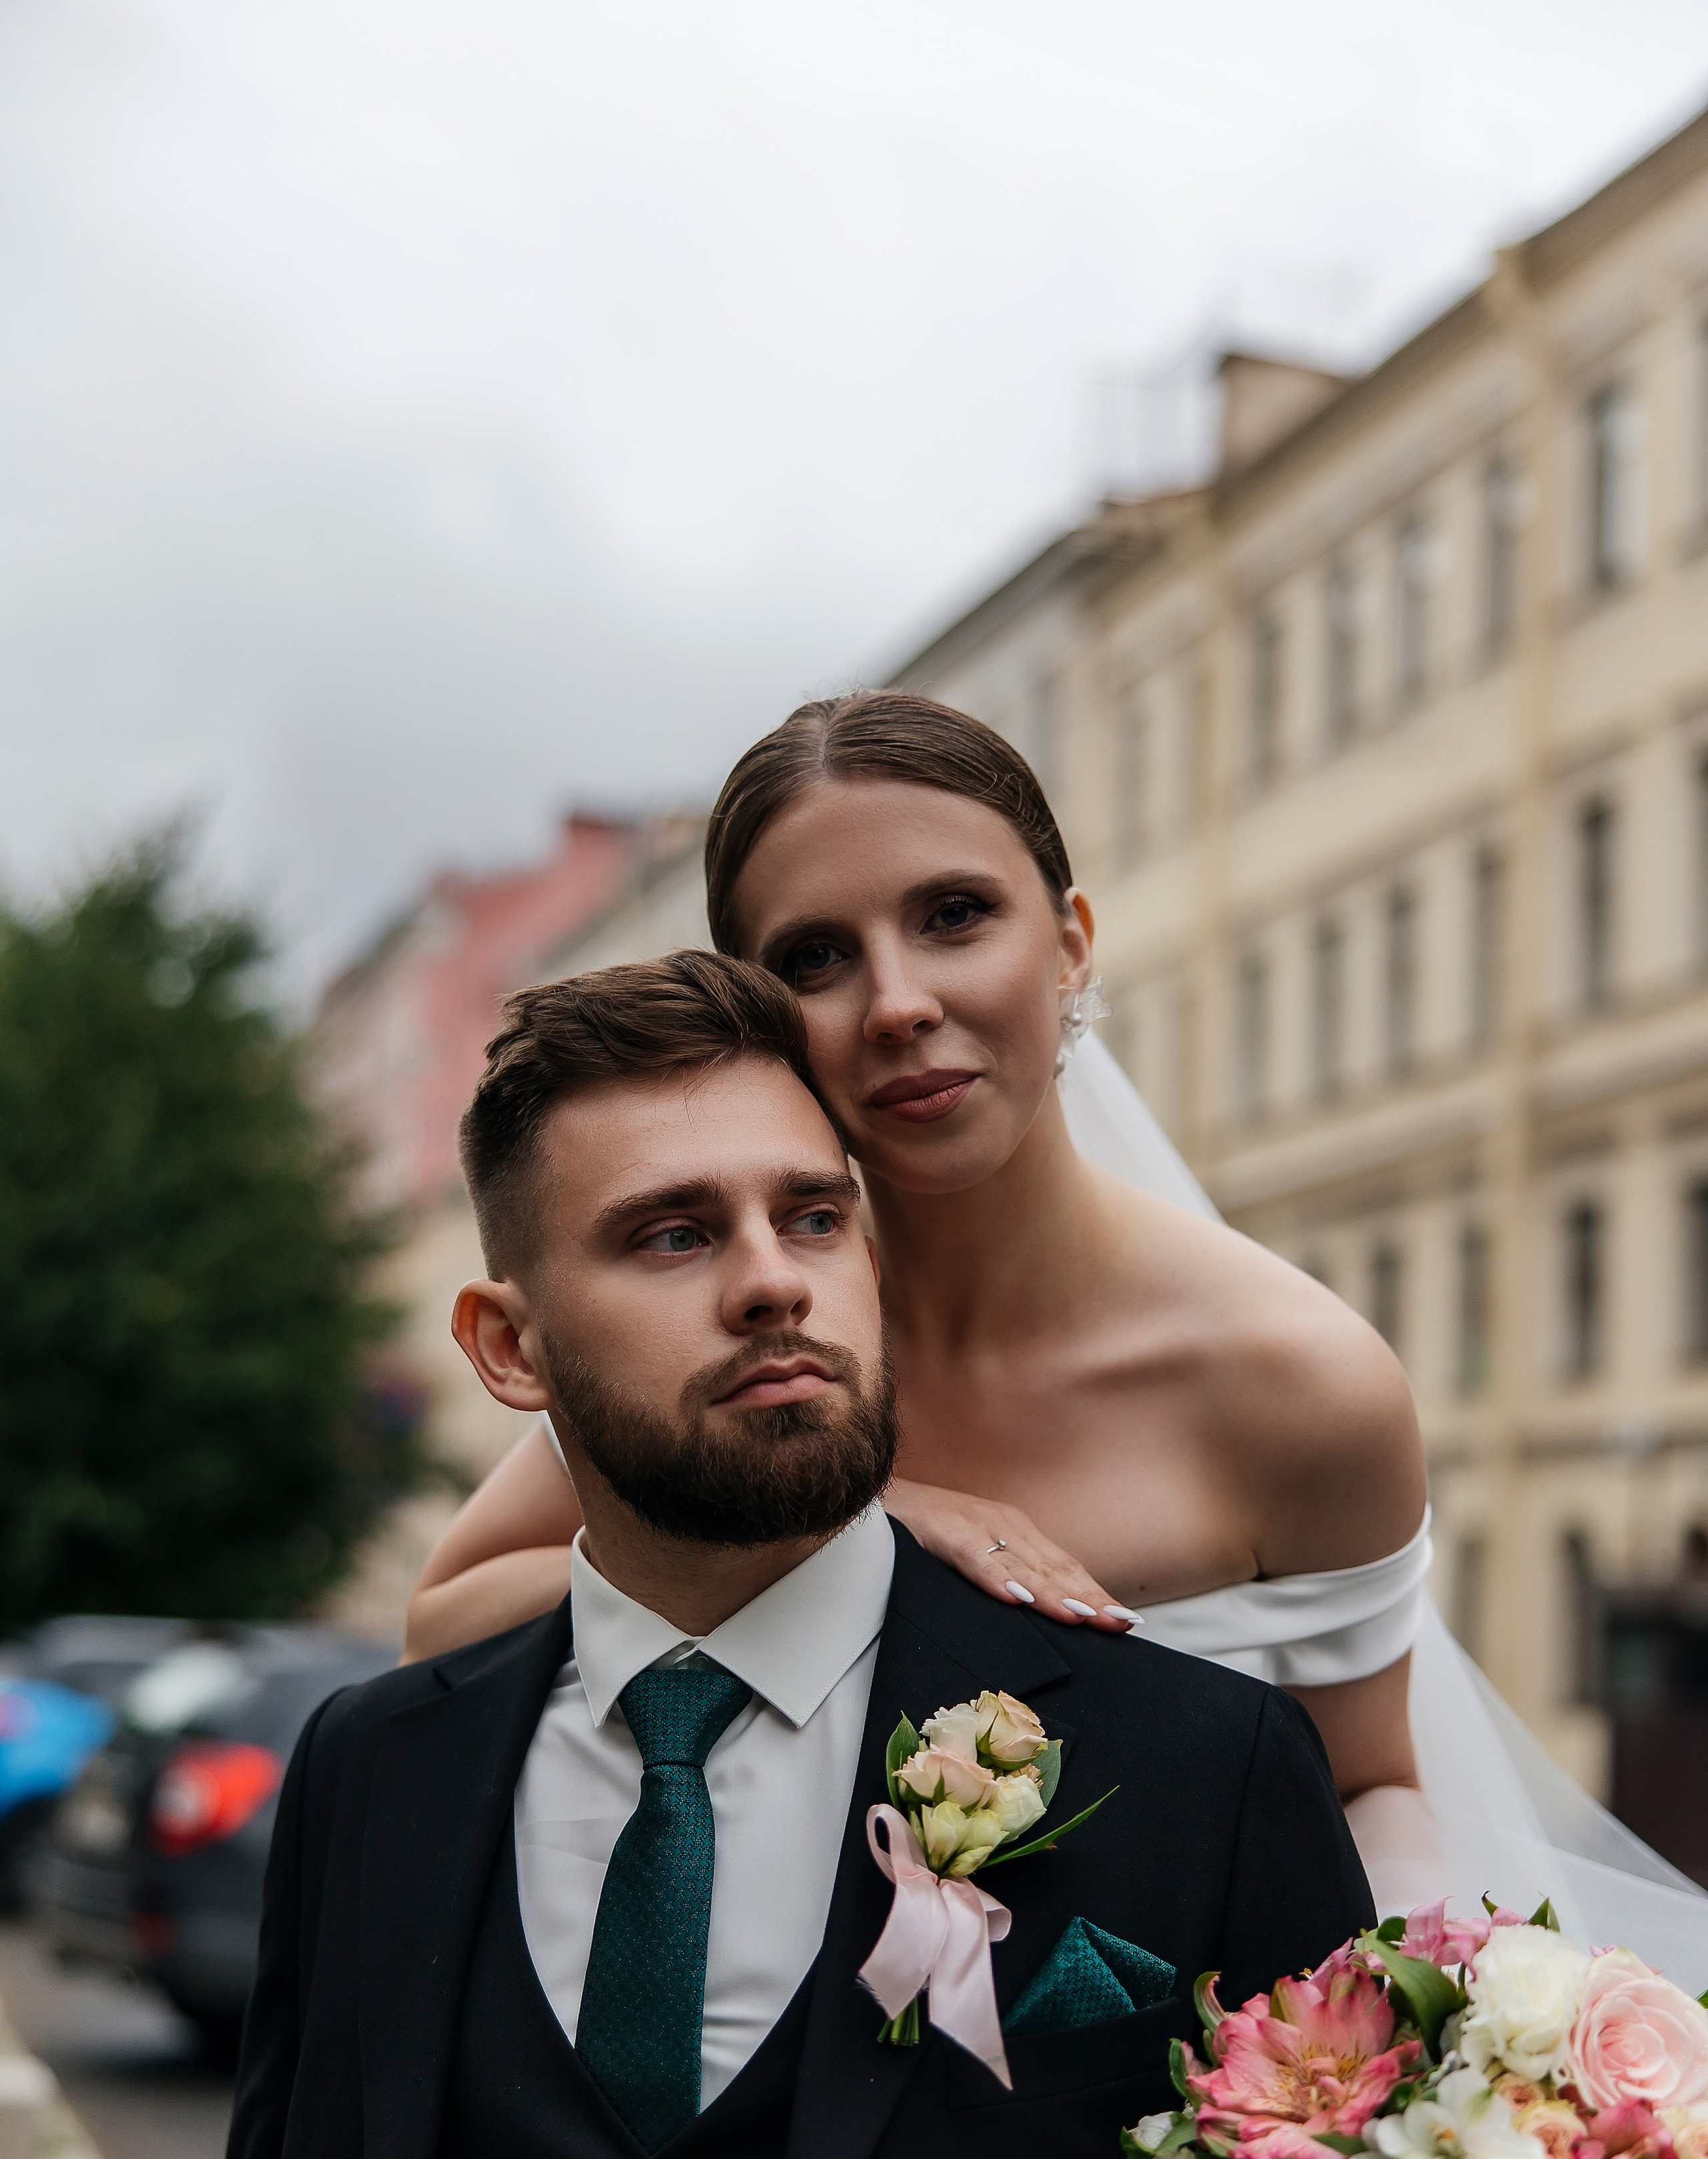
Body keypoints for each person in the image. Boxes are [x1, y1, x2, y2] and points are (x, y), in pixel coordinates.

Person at [153, 952, 1372, 2159]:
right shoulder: (376, 1771)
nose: (769, 1282)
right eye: (672, 1234)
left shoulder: (1198, 1772)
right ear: (506, 1349)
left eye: (810, 1218)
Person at [408, 695, 1708, 2000]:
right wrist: (860, 1524)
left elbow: (1367, 1786)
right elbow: (445, 1624)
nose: (897, 1003)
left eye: (953, 917)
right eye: (814, 958)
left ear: (1071, 944)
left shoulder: (1295, 1384)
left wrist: (1364, 2089)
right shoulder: (746, 1337)